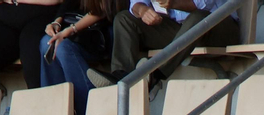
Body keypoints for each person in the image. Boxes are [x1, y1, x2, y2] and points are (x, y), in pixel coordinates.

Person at [90, 0, 233, 89]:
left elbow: (203, 4)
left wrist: (174, 3)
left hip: (219, 26)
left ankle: (154, 76)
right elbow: (136, 4)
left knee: (199, 16)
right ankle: (121, 77)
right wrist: (143, 11)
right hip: (183, 30)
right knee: (124, 18)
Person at [40, 0, 113, 115]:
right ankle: (55, 113)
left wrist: (71, 30)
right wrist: (56, 23)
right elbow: (67, 5)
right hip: (74, 33)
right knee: (47, 42)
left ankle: (87, 113)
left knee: (62, 47)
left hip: (99, 33)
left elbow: (103, 10)